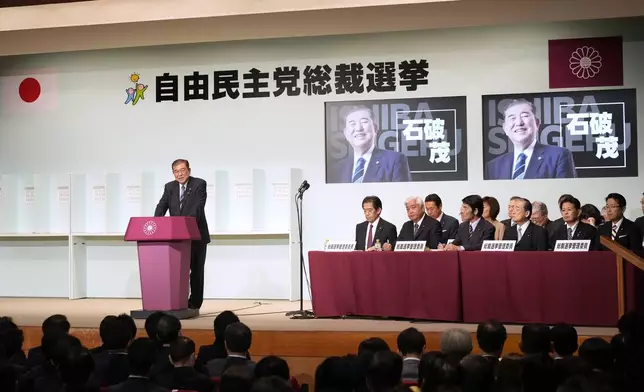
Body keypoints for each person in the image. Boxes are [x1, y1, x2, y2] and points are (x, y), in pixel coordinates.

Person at [154, 159, 210, 310]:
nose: (180, 174)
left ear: (189, 170)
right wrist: (156, 224)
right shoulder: (169, 187)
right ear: (173, 173)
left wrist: (185, 224)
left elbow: (198, 207)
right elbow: (162, 206)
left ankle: (195, 304)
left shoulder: (199, 184)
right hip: (177, 238)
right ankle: (179, 301)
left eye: (182, 170)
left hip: (196, 235)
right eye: (176, 171)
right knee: (179, 272)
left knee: (196, 271)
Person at [485, 99, 577, 180]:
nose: (518, 123)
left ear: (537, 123)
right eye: (512, 118)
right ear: (505, 128)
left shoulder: (558, 156)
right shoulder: (493, 166)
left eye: (524, 116)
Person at [328, 105, 411, 183]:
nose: (358, 128)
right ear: (346, 133)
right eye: (352, 123)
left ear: (375, 128)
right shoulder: (336, 169)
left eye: (364, 122)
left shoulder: (394, 160)